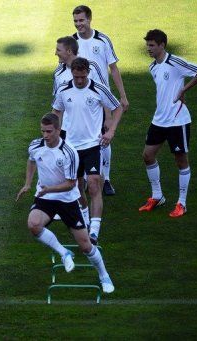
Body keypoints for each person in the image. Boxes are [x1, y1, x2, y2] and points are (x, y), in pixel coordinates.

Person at [16, 113, 114, 294]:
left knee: (85, 246)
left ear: (58, 131)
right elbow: (31, 161)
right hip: (45, 198)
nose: (45, 135)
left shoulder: (69, 152)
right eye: (43, 131)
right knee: (33, 225)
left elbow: (71, 184)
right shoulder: (35, 146)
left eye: (49, 131)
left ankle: (104, 275)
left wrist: (48, 190)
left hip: (67, 200)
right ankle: (64, 253)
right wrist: (28, 184)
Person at [52, 57, 123, 245]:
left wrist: (111, 131)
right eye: (76, 77)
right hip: (71, 147)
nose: (80, 80)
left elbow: (118, 108)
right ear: (72, 74)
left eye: (82, 76)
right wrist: (55, 135)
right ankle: (84, 223)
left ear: (87, 73)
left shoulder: (98, 89)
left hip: (92, 145)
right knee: (76, 188)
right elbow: (56, 112)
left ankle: (94, 231)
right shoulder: (64, 89)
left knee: (93, 184)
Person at [139, 29, 197, 217]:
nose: (149, 49)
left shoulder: (175, 62)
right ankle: (157, 196)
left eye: (152, 45)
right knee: (147, 155)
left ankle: (181, 203)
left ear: (162, 45)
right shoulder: (153, 67)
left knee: (181, 161)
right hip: (159, 120)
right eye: (148, 45)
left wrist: (183, 89)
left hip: (178, 121)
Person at [72, 5, 129, 195]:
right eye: (76, 21)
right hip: (81, 97)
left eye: (81, 20)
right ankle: (89, 179)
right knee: (86, 135)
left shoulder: (103, 40)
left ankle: (106, 180)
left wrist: (122, 96)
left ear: (89, 19)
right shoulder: (72, 42)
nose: (78, 24)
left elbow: (113, 68)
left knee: (105, 136)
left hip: (102, 98)